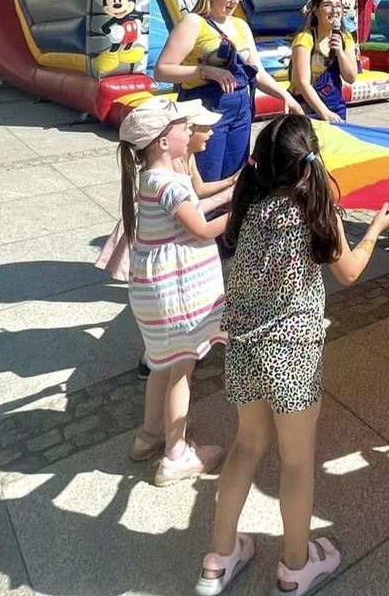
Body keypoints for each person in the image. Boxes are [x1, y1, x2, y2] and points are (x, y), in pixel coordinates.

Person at [197, 115, 389, 596]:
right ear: (308, 167)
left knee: (246, 445)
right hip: (291, 356)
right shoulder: (315, 212)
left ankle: (217, 561)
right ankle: (295, 566)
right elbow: (348, 272)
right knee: (297, 461)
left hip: (244, 349)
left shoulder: (249, 206)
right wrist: (374, 230)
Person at [119, 98, 228, 488]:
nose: (189, 131)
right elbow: (201, 228)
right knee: (182, 368)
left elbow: (194, 208)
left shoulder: (155, 179)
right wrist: (244, 209)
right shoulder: (167, 183)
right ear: (164, 142)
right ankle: (175, 455)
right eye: (183, 126)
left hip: (155, 294)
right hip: (175, 295)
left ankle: (150, 434)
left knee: (162, 365)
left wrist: (233, 191)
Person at [155, 0, 302, 182]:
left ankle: (232, 214)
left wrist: (285, 96)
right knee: (207, 174)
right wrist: (205, 71)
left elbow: (257, 72)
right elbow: (162, 70)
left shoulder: (241, 26)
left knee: (238, 175)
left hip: (241, 110)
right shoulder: (194, 23)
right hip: (207, 110)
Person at [289, 0, 360, 123]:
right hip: (305, 107)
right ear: (316, 10)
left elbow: (351, 77)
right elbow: (302, 82)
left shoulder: (345, 38)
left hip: (335, 106)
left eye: (338, 6)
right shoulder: (305, 38)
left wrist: (340, 52)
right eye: (327, 5)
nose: (334, 11)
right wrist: (324, 113)